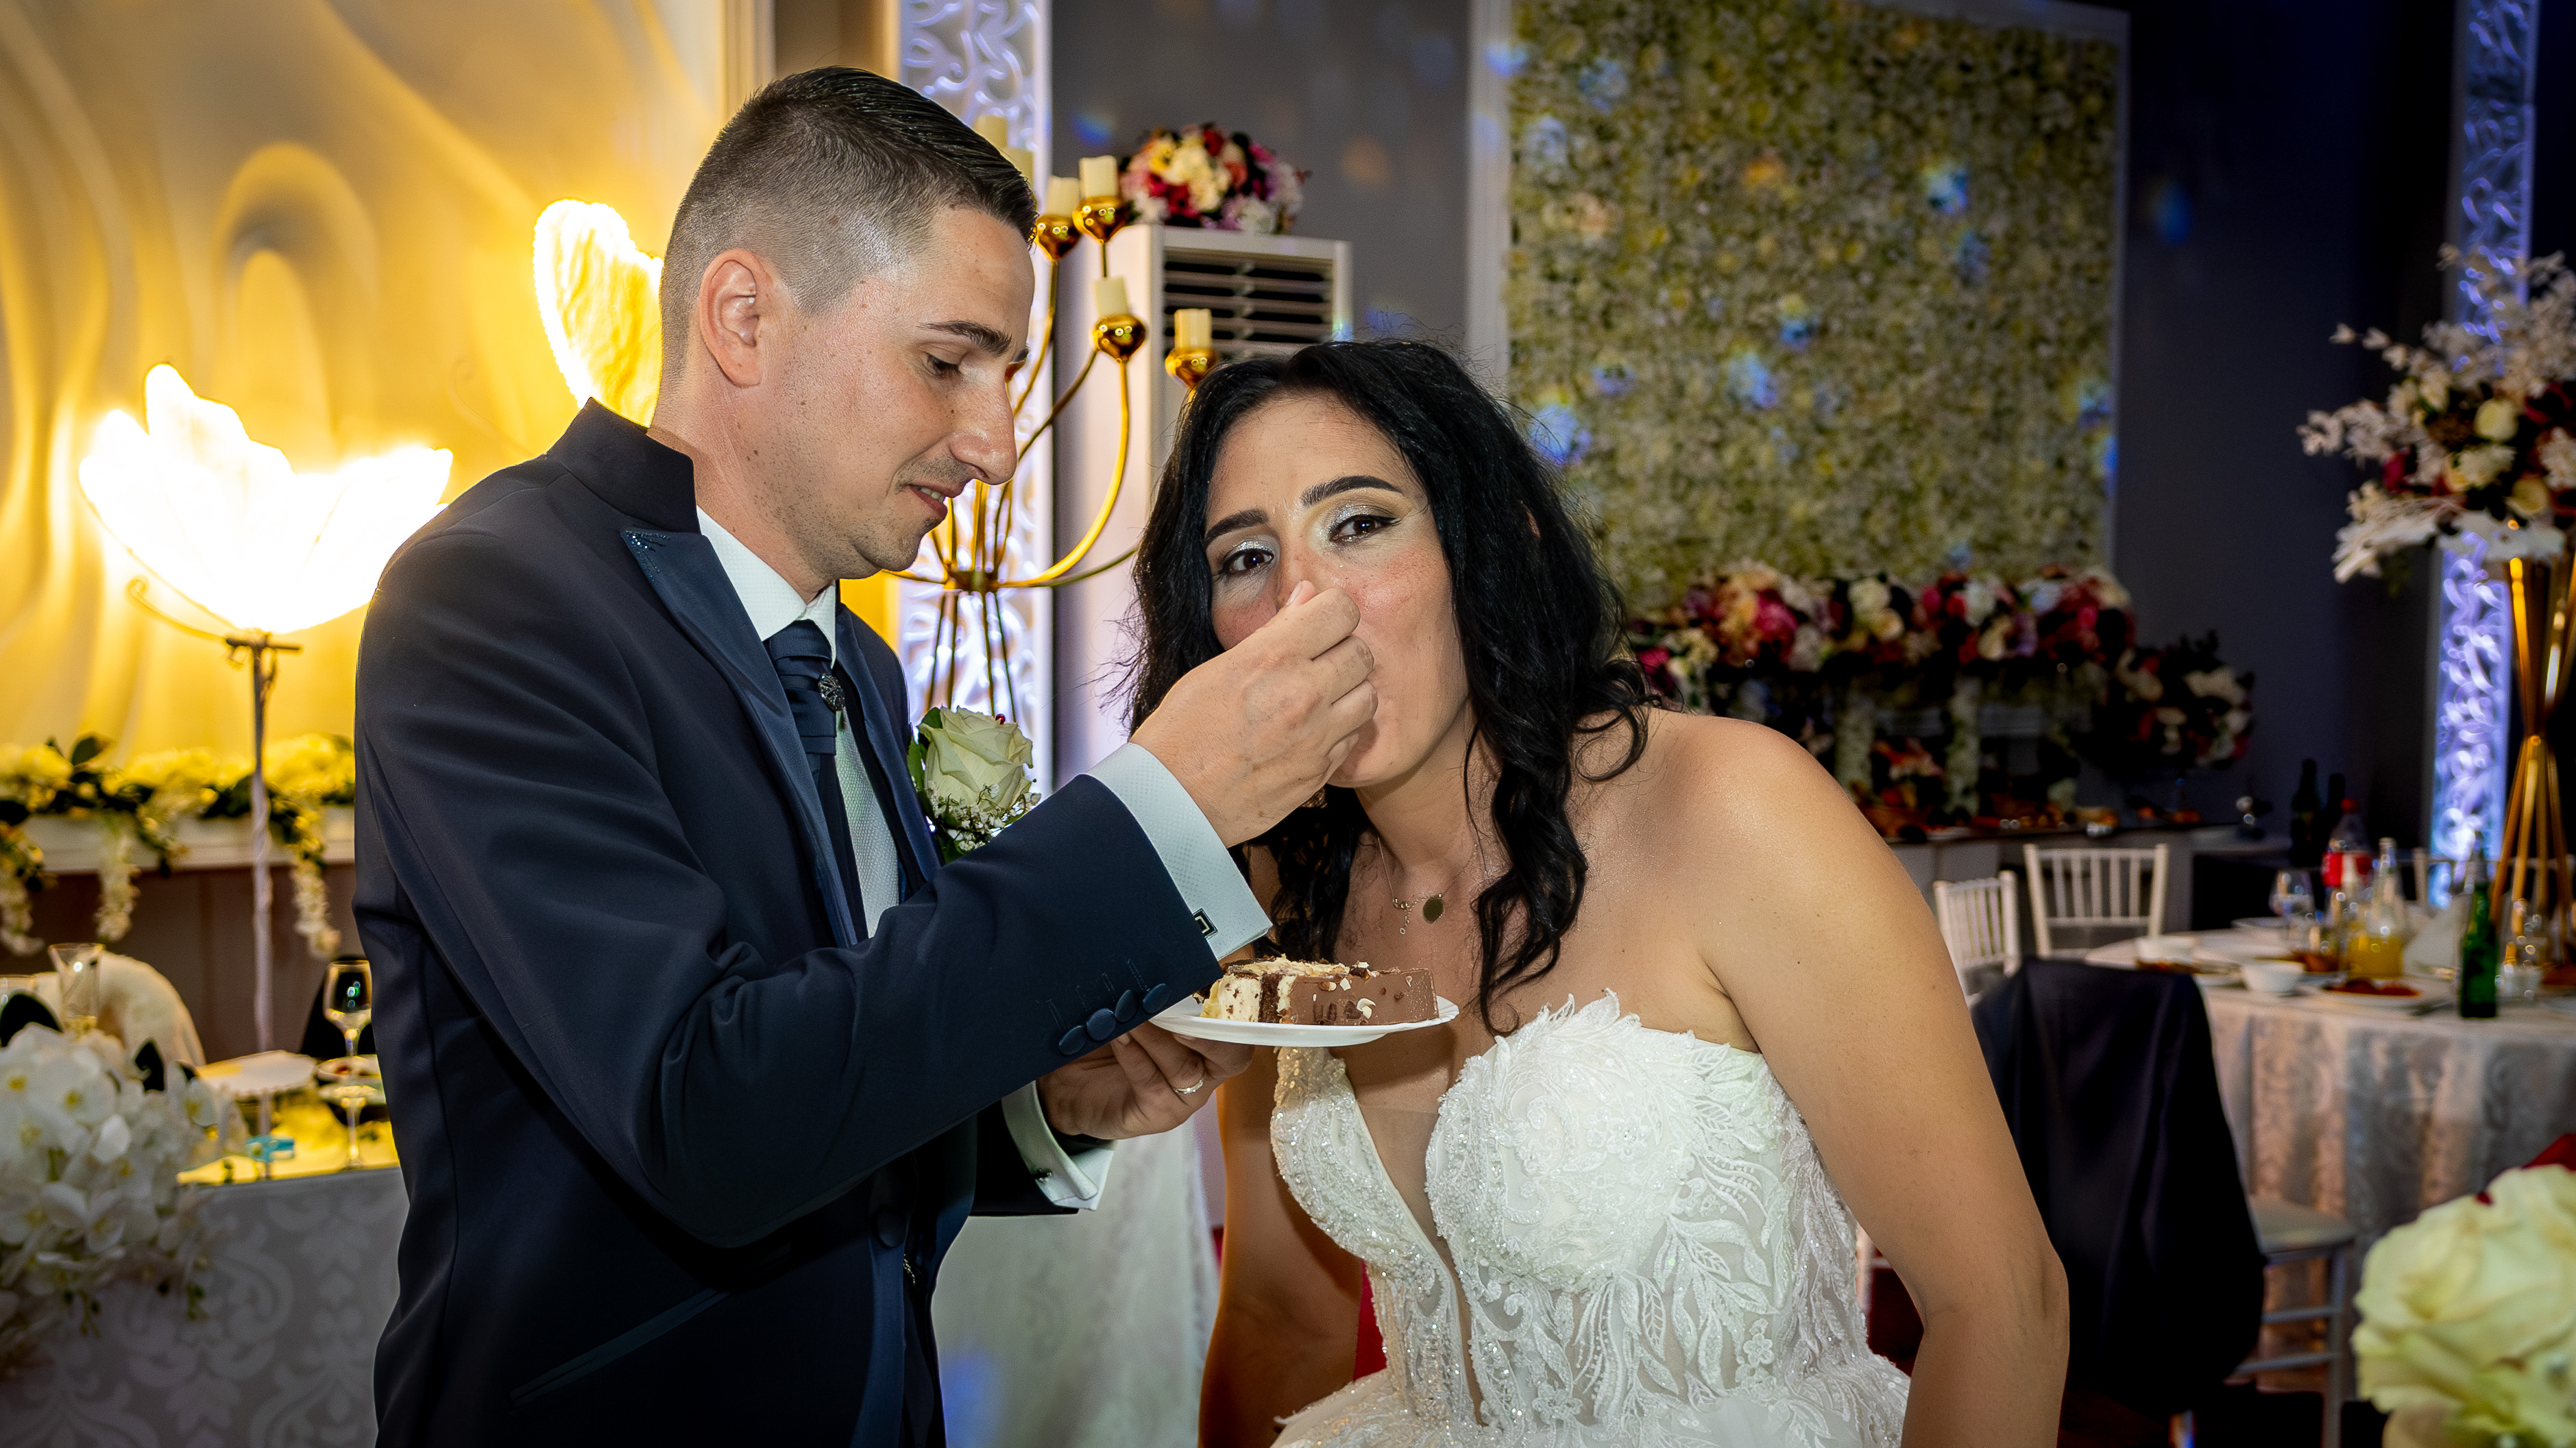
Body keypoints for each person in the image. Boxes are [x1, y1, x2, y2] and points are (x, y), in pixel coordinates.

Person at [352, 69, 1378, 1447]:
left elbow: (832, 1065)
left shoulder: (860, 660)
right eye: (947, 362)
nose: (996, 445)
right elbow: (701, 1117)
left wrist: (1038, 1101)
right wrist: (1156, 803)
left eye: (1008, 377)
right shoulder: (493, 597)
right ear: (743, 317)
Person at [1129, 341, 2071, 1447]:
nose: (1303, 603)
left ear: (1495, 544)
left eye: (1360, 523)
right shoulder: (1278, 890)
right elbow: (1280, 1316)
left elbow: (2001, 1305)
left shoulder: (1730, 810)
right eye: (1245, 557)